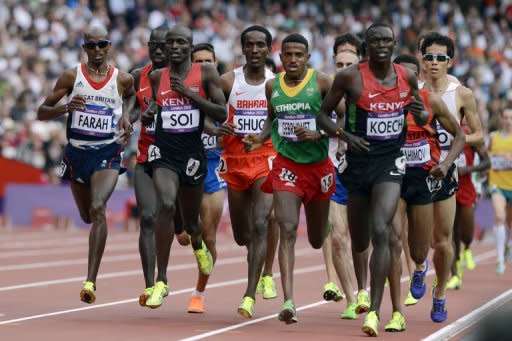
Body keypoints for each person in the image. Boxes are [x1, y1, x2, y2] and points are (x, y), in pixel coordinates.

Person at [316, 23, 429, 336]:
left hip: (390, 162)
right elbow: (323, 117)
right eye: (375, 40)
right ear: (366, 44)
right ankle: (363, 290)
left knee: (382, 229)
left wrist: (419, 114)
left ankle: (375, 312)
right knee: (360, 237)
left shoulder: (406, 76)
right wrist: (345, 136)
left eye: (386, 40)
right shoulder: (350, 77)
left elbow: (421, 117)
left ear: (393, 44)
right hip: (357, 164)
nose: (381, 45)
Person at [244, 33, 339, 324]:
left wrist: (319, 133)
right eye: (288, 55)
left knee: (314, 238)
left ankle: (322, 225)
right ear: (281, 58)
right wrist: (259, 139)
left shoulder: (322, 82)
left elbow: (344, 120)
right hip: (286, 167)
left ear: (307, 57)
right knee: (286, 229)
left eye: (299, 54)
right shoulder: (273, 85)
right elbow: (271, 119)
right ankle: (288, 301)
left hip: (318, 167)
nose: (293, 59)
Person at [37, 25, 135, 304]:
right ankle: (97, 229)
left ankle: (90, 281)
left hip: (108, 151)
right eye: (91, 45)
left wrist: (126, 117)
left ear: (109, 46)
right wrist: (64, 109)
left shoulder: (122, 79)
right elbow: (41, 112)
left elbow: (131, 97)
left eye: (101, 44)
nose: (96, 50)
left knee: (98, 208)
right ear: (84, 48)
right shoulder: (72, 76)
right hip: (76, 154)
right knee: (86, 216)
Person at [141, 24, 227, 308]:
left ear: (189, 46)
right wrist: (151, 111)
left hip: (193, 154)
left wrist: (190, 95)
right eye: (170, 43)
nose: (175, 47)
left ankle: (198, 244)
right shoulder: (156, 76)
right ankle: (161, 281)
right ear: (164, 48)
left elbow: (221, 111)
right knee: (165, 204)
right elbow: (155, 106)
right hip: (165, 153)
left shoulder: (205, 73)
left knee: (190, 222)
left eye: (181, 42)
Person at [387, 54, 465, 332]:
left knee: (441, 243)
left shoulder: (431, 101)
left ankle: (440, 294)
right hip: (396, 179)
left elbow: (461, 135)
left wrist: (445, 164)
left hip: (434, 176)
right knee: (392, 239)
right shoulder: (383, 106)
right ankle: (402, 300)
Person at [419, 32, 484, 323]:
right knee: (411, 236)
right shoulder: (411, 90)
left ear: (450, 61)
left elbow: (479, 133)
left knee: (443, 242)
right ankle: (419, 266)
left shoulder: (461, 94)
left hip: (446, 168)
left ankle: (441, 292)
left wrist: (457, 141)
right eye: (428, 57)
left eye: (440, 58)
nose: (433, 63)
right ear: (421, 59)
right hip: (415, 168)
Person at [218, 25, 278, 318]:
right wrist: (218, 128)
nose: (255, 50)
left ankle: (249, 294)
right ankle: (256, 259)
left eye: (260, 45)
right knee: (243, 235)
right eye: (250, 45)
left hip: (265, 158)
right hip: (235, 160)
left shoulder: (277, 83)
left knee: (261, 222)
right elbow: (210, 116)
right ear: (243, 49)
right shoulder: (228, 81)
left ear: (268, 49)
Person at [125, 26, 171, 307]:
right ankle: (151, 283)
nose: (158, 49)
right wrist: (127, 119)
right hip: (146, 157)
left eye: (163, 45)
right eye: (153, 44)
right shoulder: (137, 75)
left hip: (177, 159)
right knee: (149, 217)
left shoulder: (183, 77)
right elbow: (132, 107)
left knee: (180, 221)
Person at [183, 42, 227, 313]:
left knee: (209, 237)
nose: (202, 66)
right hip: (181, 164)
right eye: (197, 62)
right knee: (184, 235)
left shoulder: (223, 95)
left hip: (210, 167)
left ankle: (198, 292)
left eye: (207, 62)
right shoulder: (180, 92)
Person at [320, 46, 358, 320]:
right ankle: (352, 298)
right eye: (339, 63)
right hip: (332, 169)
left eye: (349, 63)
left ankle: (369, 288)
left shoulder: (368, 94)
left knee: (365, 237)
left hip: (364, 172)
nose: (343, 68)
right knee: (338, 237)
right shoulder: (324, 94)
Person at [446, 124, 490, 289]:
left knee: (465, 233)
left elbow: (487, 162)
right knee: (450, 232)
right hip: (447, 187)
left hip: (466, 187)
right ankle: (454, 272)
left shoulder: (470, 135)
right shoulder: (442, 129)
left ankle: (467, 248)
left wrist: (468, 169)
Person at [488, 107, 512, 274]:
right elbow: (486, 153)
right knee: (499, 216)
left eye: (510, 117)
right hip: (497, 183)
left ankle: (508, 245)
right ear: (501, 119)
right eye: (505, 117)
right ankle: (499, 259)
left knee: (509, 222)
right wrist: (491, 158)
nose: (508, 120)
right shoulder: (493, 136)